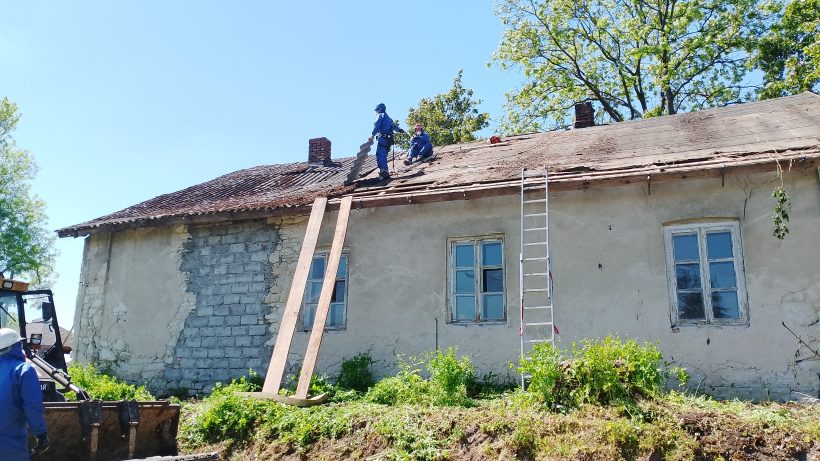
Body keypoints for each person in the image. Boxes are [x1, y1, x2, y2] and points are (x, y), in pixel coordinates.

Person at [0, 328, 48, 460]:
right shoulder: (24, 370)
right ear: (15, 346)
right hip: (10, 446)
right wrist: (41, 434)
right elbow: (32, 406)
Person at [368, 103, 404, 181]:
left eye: (377, 110)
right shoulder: (388, 118)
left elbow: (377, 126)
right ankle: (385, 171)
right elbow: (394, 126)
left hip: (383, 139)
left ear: (379, 109)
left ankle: (384, 172)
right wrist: (399, 130)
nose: (376, 112)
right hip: (389, 140)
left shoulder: (380, 116)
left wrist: (372, 135)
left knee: (380, 155)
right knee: (383, 155)